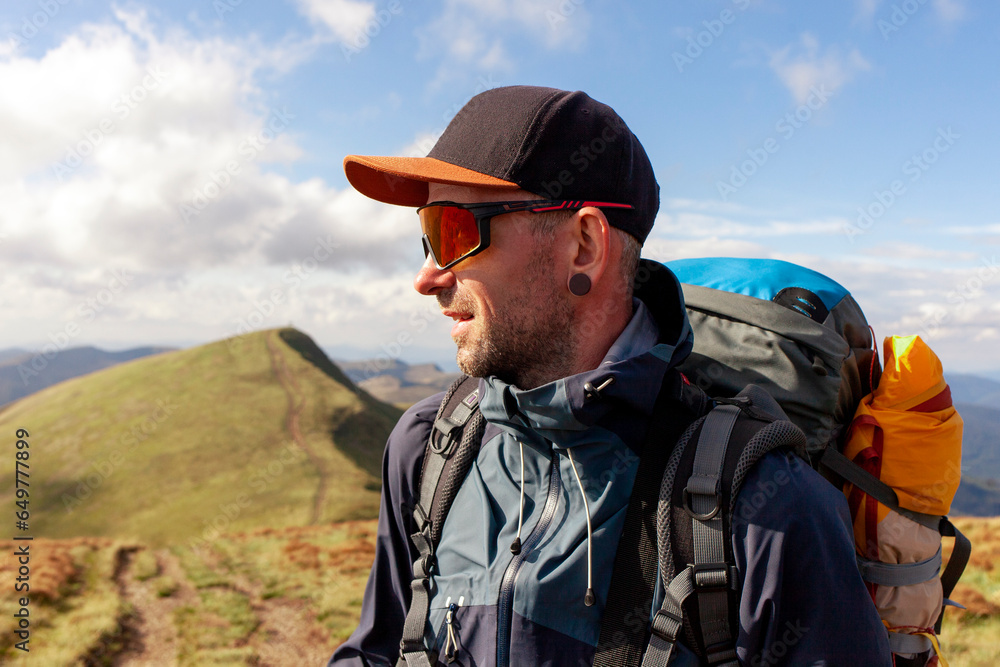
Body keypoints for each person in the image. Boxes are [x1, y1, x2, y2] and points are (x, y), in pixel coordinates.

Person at [330, 86, 890, 666]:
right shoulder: (430, 449)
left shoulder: (767, 509)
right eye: (428, 234)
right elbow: (379, 650)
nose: (427, 277)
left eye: (454, 232)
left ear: (583, 245)